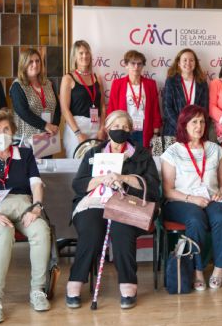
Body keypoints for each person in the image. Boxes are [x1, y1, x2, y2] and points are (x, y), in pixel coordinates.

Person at [66, 110, 160, 309]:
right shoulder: (93, 153)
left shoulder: (142, 155)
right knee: (92, 228)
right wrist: (103, 178)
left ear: (131, 130)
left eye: (125, 127)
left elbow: (152, 188)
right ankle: (76, 280)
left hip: (129, 204)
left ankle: (128, 283)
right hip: (96, 202)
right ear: (107, 129)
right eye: (116, 127)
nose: (121, 130)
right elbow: (78, 184)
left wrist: (124, 178)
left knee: (121, 227)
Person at [0, 108, 51, 323]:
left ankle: (37, 290)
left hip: (23, 209)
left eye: (6, 128)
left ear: (13, 130)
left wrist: (37, 207)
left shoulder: (25, 154)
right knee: (4, 231)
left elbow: (36, 184)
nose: (2, 133)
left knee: (41, 230)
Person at [161, 105, 222, 290]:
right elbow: (167, 190)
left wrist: (221, 192)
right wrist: (191, 199)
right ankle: (197, 270)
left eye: (202, 122)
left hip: (209, 199)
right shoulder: (172, 152)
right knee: (195, 217)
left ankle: (220, 267)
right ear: (184, 124)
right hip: (180, 201)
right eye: (194, 122)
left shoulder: (215, 149)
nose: (199, 126)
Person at [106, 50, 162, 148]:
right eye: (133, 63)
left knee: (142, 160)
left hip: (144, 131)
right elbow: (112, 109)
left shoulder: (150, 84)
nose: (136, 67)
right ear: (126, 65)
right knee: (125, 159)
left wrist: (156, 133)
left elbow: (155, 109)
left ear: (143, 66)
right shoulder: (117, 84)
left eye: (139, 64)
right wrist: (111, 131)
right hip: (123, 130)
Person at [59, 40, 105, 158]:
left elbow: (103, 106)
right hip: (77, 128)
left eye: (87, 53)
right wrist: (78, 133)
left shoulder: (97, 78)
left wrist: (102, 128)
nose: (85, 56)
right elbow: (65, 109)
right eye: (81, 53)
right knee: (77, 165)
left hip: (96, 127)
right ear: (74, 57)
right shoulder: (68, 78)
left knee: (97, 165)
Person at [9, 48, 61, 152]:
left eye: (37, 61)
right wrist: (45, 125)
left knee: (46, 167)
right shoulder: (17, 86)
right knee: (29, 168)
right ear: (23, 64)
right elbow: (23, 112)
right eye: (30, 62)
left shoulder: (48, 83)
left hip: (47, 138)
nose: (35, 65)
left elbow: (58, 108)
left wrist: (54, 127)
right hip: (26, 141)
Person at [161, 48, 209, 151]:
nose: (188, 63)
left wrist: (194, 127)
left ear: (195, 63)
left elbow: (204, 109)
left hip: (196, 132)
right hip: (174, 131)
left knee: (194, 163)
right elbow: (167, 108)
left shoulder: (202, 82)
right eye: (185, 60)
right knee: (174, 163)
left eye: (191, 60)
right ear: (178, 63)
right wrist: (182, 126)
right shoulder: (171, 81)